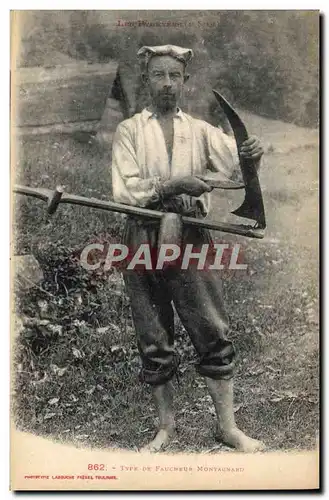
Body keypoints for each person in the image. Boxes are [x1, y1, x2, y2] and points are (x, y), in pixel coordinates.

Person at [111, 44, 265, 453]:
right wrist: (175, 184)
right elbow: (126, 190)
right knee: (153, 333)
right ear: (146, 81)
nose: (166, 84)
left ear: (185, 82)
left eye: (174, 76)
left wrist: (251, 155)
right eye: (158, 75)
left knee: (211, 328)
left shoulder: (199, 130)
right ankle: (165, 428)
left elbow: (236, 165)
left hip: (192, 233)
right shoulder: (129, 131)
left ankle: (228, 427)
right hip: (143, 235)